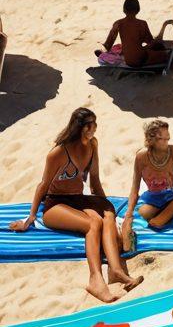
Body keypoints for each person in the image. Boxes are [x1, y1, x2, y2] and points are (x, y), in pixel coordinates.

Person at [9, 107, 141, 303]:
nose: (93, 128)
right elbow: (42, 185)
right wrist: (30, 218)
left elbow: (94, 179)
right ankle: (95, 280)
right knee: (93, 224)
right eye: (89, 125)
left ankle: (116, 271)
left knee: (107, 214)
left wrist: (104, 204)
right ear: (78, 127)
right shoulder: (58, 152)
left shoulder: (92, 145)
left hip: (77, 199)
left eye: (94, 123)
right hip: (55, 204)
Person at [123, 119, 173, 239]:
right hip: (152, 198)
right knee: (144, 212)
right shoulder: (141, 156)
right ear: (151, 139)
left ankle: (158, 221)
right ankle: (160, 219)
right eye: (161, 139)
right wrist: (129, 211)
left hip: (169, 196)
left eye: (167, 138)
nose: (166, 142)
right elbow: (135, 186)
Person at [97, 0, 169, 69]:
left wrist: (105, 51)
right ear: (138, 10)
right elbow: (150, 42)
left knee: (120, 48)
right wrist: (157, 41)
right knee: (165, 54)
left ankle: (107, 55)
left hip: (128, 60)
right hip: (140, 60)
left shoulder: (118, 23)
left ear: (124, 10)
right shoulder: (142, 24)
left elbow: (108, 45)